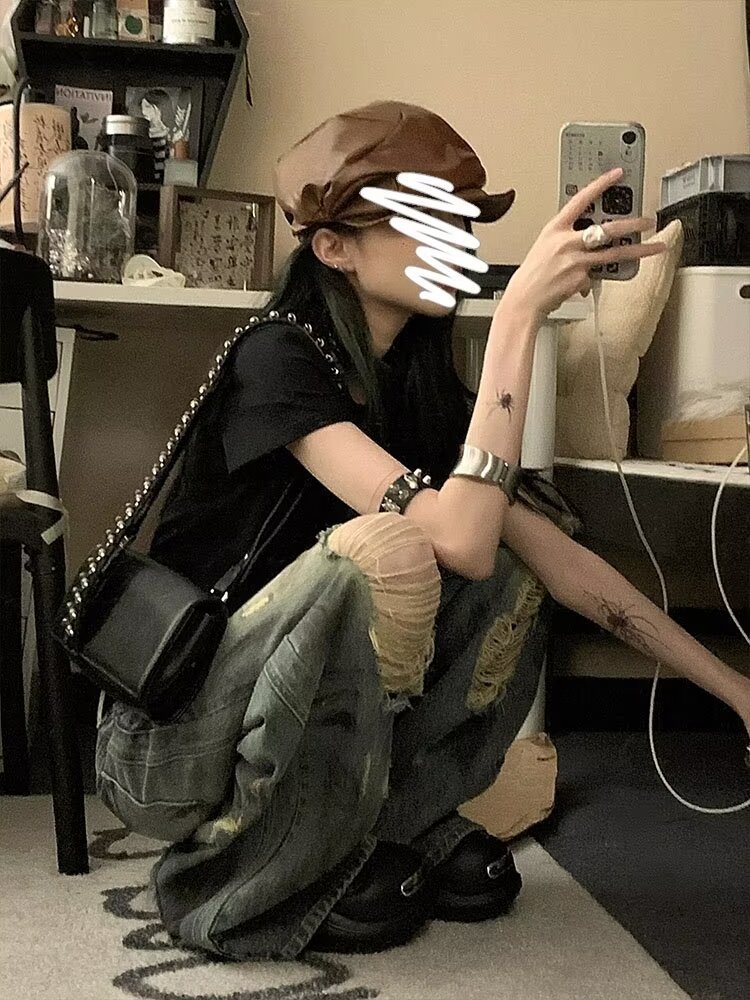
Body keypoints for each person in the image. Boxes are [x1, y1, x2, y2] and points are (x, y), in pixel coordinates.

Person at [99, 101, 750, 961]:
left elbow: (558, 565)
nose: (457, 244)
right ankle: (231, 878)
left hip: (299, 726)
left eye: (461, 223)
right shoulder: (277, 356)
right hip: (173, 743)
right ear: (333, 248)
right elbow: (455, 540)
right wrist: (515, 320)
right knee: (377, 557)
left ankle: (390, 823)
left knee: (515, 567)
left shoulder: (413, 384)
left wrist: (738, 693)